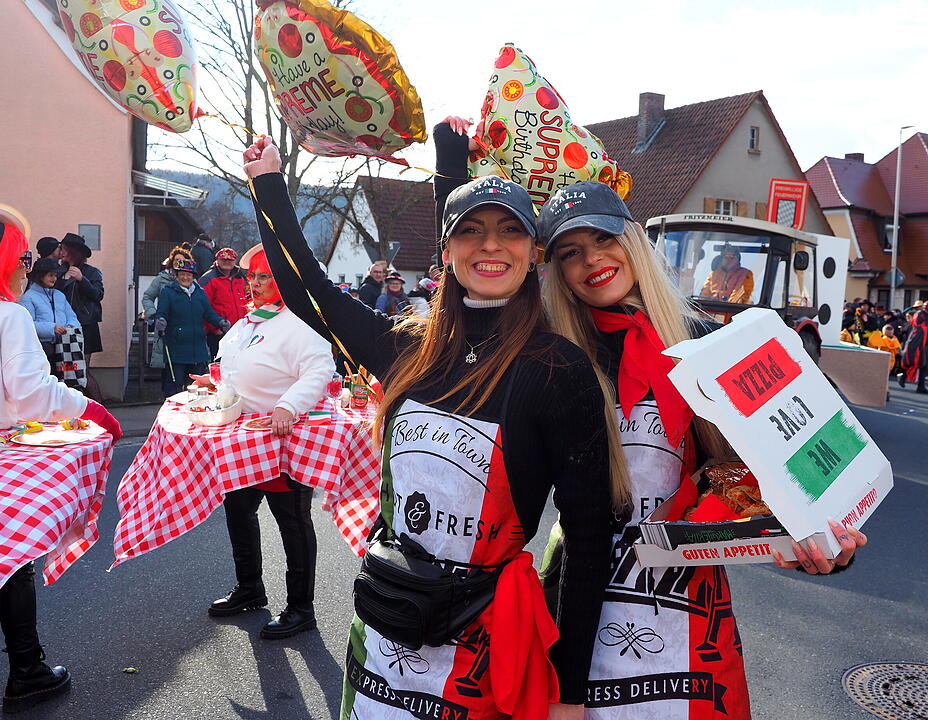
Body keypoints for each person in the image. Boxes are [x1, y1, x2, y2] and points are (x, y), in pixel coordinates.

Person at [244, 129, 618, 720]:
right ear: (446, 251)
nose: (490, 244)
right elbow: (307, 289)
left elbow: (588, 538)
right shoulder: (407, 348)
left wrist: (569, 692)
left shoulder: (558, 368)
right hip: (386, 630)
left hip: (484, 644)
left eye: (510, 230)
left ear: (533, 253)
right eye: (471, 230)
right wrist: (267, 183)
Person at [535, 182, 867, 720]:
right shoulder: (553, 356)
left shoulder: (714, 343)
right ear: (558, 273)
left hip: (690, 614)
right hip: (577, 605)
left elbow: (789, 460)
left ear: (633, 240)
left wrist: (824, 535)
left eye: (604, 239)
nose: (592, 259)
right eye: (571, 252)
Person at [0, 203, 121, 713]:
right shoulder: (8, 316)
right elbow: (33, 395)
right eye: (21, 259)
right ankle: (27, 671)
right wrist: (90, 407)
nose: (25, 269)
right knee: (12, 560)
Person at [190, 245, 335, 637]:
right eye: (251, 276)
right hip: (243, 439)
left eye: (264, 276)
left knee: (291, 521)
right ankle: (250, 589)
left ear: (285, 281)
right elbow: (232, 366)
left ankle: (301, 608)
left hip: (281, 439)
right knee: (238, 511)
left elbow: (319, 370)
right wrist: (215, 381)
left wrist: (288, 406)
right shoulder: (249, 320)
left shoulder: (301, 323)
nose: (254, 283)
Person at [152, 259, 228, 397]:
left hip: (198, 349)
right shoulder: (168, 292)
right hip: (177, 349)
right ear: (177, 275)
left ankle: (195, 409)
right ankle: (172, 409)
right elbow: (161, 312)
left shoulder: (200, 293)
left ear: (193, 276)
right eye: (182, 274)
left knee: (197, 388)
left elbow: (209, 313)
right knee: (174, 387)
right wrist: (161, 321)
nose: (185, 277)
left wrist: (221, 322)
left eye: (189, 274)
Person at [56, 233, 104, 400]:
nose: (61, 252)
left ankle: (99, 407)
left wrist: (82, 279)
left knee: (82, 370)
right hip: (64, 327)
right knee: (66, 371)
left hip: (85, 326)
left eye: (64, 249)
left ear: (73, 251)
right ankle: (78, 407)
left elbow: (98, 294)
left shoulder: (92, 272)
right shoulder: (59, 271)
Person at [19, 258, 81, 373]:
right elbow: (28, 325)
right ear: (40, 276)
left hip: (63, 346)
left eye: (55, 275)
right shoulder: (29, 297)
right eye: (50, 275)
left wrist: (71, 326)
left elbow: (72, 316)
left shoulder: (59, 295)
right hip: (42, 348)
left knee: (64, 378)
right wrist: (52, 328)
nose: (54, 278)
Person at [200, 247, 249, 360]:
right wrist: (214, 328)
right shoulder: (208, 279)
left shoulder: (241, 278)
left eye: (230, 260)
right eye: (223, 260)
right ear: (217, 260)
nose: (227, 262)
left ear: (235, 261)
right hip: (219, 332)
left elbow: (246, 301)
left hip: (240, 331)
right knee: (220, 363)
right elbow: (203, 307)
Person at [141, 244, 193, 319]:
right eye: (176, 260)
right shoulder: (162, 278)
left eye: (181, 261)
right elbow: (147, 297)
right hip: (164, 321)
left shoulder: (191, 280)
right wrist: (153, 313)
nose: (178, 262)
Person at [900, 300, 928, 393]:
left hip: (923, 343)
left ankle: (920, 386)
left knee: (922, 365)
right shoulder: (920, 315)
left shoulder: (921, 315)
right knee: (913, 362)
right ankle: (903, 376)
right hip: (918, 342)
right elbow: (920, 329)